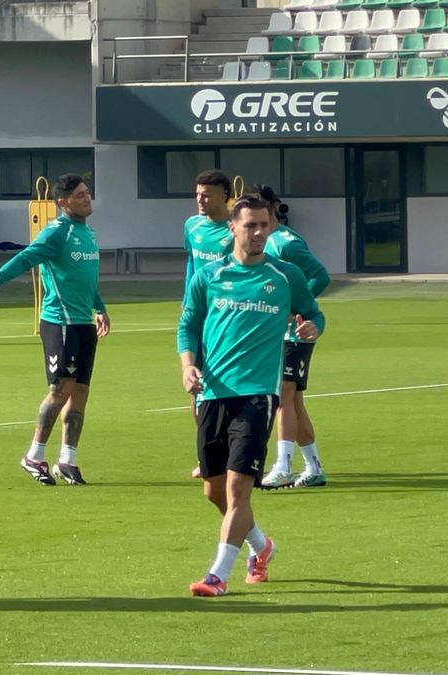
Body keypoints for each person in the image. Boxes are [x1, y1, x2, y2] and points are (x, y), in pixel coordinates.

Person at [177, 193, 323, 597]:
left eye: (265, 225)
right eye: (251, 225)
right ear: (233, 228)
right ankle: (261, 546)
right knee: (214, 489)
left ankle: (217, 575)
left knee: (239, 487)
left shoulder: (284, 275)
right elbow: (187, 326)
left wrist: (312, 327)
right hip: (212, 392)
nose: (259, 233)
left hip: (258, 394)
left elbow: (314, 312)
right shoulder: (209, 276)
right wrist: (188, 365)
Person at [0, 174, 109, 486]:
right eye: (80, 195)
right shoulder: (56, 233)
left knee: (81, 393)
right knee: (60, 390)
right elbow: (25, 258)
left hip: (83, 323)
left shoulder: (87, 233)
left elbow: (86, 278)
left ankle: (68, 460)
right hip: (59, 322)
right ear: (63, 202)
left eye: (88, 193)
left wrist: (99, 307)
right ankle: (33, 455)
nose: (87, 198)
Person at [257, 185, 333, 490]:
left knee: (282, 398)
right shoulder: (267, 243)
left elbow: (320, 274)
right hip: (281, 332)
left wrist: (296, 307)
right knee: (294, 400)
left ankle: (283, 466)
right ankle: (313, 467)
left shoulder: (286, 243)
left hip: (296, 332)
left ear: (274, 207)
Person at [184, 170, 234, 480]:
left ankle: (237, 454)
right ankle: (209, 455)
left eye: (207, 194)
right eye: (198, 194)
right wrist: (186, 301)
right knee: (198, 389)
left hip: (228, 320)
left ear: (224, 196)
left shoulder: (234, 229)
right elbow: (191, 264)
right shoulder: (192, 226)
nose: (200, 200)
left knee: (232, 390)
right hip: (200, 319)